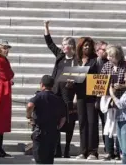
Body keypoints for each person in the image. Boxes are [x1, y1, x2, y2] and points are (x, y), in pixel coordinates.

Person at [44, 20, 77, 158]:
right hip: (56, 92)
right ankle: (57, 149)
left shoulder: (77, 60)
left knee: (69, 122)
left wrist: (73, 83)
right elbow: (49, 43)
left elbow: (79, 79)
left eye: (66, 45)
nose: (63, 47)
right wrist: (46, 27)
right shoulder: (60, 56)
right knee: (55, 121)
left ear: (71, 47)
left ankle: (67, 149)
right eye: (63, 45)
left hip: (68, 95)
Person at [100, 45, 126, 160]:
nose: (109, 58)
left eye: (111, 56)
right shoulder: (106, 65)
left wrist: (122, 85)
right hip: (108, 99)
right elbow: (100, 81)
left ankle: (119, 151)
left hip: (121, 99)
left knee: (119, 125)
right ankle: (109, 151)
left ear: (118, 56)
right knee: (108, 125)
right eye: (108, 55)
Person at [27, 75, 66, 164]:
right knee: (49, 159)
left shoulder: (39, 96)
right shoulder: (58, 99)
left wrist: (29, 116)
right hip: (52, 132)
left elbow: (30, 105)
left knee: (40, 159)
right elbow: (63, 118)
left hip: (40, 132)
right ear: (52, 86)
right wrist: (57, 127)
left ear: (42, 84)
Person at [74, 37, 99, 160]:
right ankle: (83, 151)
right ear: (81, 47)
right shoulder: (77, 60)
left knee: (92, 122)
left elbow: (99, 77)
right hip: (80, 95)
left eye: (89, 45)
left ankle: (93, 152)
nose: (87, 47)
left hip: (92, 96)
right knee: (82, 122)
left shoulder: (95, 61)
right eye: (85, 46)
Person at [95, 40, 108, 153]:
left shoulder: (109, 63)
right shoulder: (93, 62)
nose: (106, 51)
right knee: (93, 125)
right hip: (93, 98)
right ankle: (92, 150)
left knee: (106, 123)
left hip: (105, 98)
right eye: (103, 49)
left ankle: (107, 148)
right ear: (97, 50)